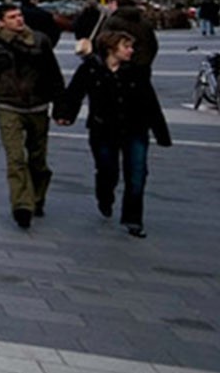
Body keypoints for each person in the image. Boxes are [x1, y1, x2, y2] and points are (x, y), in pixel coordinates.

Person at [54, 30, 173, 238]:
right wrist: (64, 115)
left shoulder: (137, 71)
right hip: (103, 129)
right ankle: (105, 196)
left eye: (131, 46)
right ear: (111, 49)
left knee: (137, 175)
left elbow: (150, 103)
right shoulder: (91, 69)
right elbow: (74, 93)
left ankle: (133, 219)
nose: (131, 51)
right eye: (126, 46)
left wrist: (161, 134)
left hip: (135, 129)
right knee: (107, 171)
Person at [0, 2, 66, 229]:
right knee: (15, 159)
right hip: (8, 106)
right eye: (12, 17)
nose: (19, 20)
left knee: (38, 160)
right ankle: (22, 206)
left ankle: (37, 196)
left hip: (38, 106)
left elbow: (54, 74)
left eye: (19, 15)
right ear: (0, 22)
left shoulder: (40, 40)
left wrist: (61, 108)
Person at [102, 0, 158, 74]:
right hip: (142, 67)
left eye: (111, 4)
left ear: (116, 4)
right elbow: (153, 45)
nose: (109, 7)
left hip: (118, 68)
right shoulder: (144, 22)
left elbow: (103, 43)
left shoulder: (112, 22)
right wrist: (145, 62)